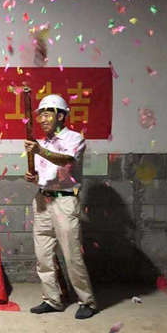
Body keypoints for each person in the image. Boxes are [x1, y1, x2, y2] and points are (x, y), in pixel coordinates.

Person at [23, 94, 97, 320]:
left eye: (47, 114)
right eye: (41, 115)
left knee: (72, 254)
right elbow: (43, 175)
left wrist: (39, 151)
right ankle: (52, 299)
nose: (43, 119)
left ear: (61, 116)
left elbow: (66, 161)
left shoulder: (75, 138)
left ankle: (87, 301)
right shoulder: (42, 143)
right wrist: (32, 177)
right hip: (42, 199)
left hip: (64, 201)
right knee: (43, 255)